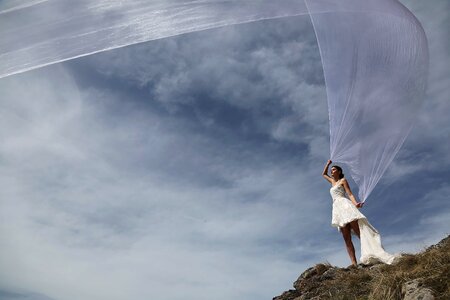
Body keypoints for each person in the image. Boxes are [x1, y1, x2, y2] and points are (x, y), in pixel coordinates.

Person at [322, 159, 399, 267]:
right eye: (331, 170)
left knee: (360, 233)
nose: (331, 171)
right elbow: (323, 174)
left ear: (339, 172)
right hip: (337, 209)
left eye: (334, 169)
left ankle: (371, 252)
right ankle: (353, 263)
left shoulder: (343, 181)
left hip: (345, 205)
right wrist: (328, 164)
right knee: (346, 238)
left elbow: (350, 194)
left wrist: (355, 204)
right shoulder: (332, 182)